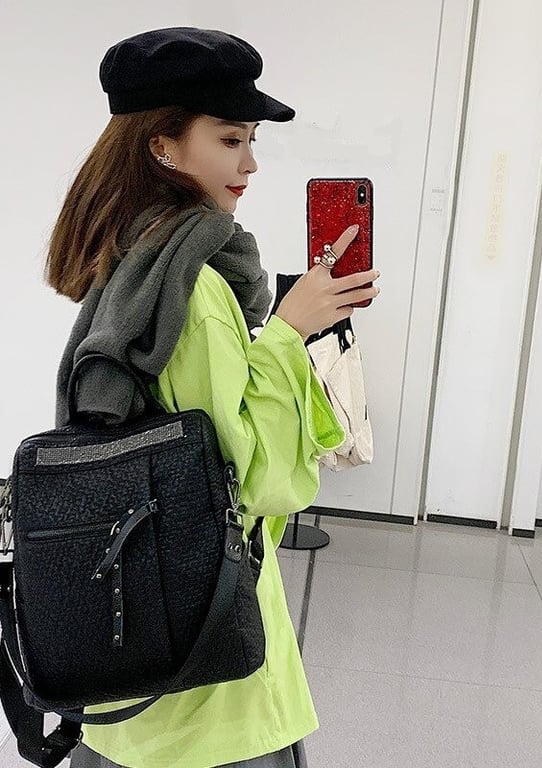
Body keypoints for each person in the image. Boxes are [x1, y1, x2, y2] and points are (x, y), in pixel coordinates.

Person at [45, 26, 381, 768]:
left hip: (133, 650)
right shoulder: (193, 289)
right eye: (231, 139)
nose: (250, 163)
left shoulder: (133, 257)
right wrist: (289, 333)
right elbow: (252, 479)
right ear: (163, 147)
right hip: (209, 680)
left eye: (251, 139)